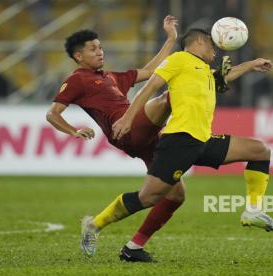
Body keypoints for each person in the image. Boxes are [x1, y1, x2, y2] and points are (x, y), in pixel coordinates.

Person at [86, 28, 273, 262]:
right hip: (178, 141)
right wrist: (128, 118)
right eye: (212, 45)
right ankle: (94, 225)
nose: (215, 50)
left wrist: (252, 64)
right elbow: (149, 88)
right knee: (148, 197)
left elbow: (223, 76)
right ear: (199, 42)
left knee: (260, 150)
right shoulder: (179, 59)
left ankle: (253, 211)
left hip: (202, 140)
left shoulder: (203, 70)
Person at [46, 15, 189, 260]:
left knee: (176, 195)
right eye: (93, 49)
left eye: (100, 47)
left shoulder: (111, 77)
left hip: (147, 136)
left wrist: (171, 39)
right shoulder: (77, 79)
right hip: (127, 131)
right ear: (79, 56)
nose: (100, 52)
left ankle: (119, 239)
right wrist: (73, 130)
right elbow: (52, 114)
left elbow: (152, 71)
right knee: (167, 97)